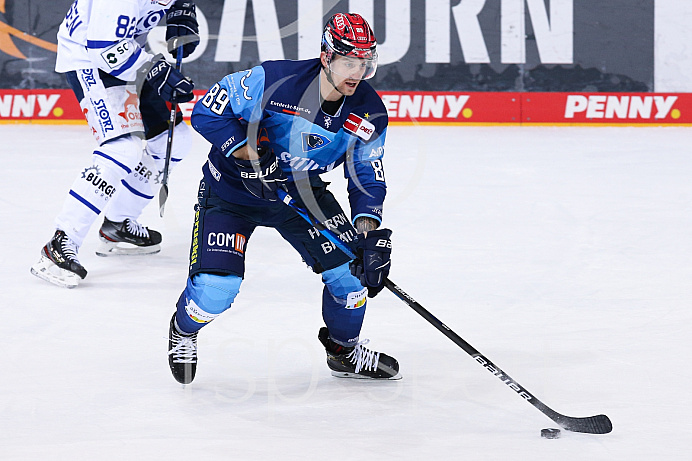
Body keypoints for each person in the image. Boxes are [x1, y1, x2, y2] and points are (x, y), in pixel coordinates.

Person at [167, 13, 399, 384]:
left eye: (365, 63)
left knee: (353, 279)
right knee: (215, 290)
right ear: (326, 57)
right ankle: (183, 329)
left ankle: (344, 351)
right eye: (348, 61)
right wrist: (250, 155)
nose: (357, 72)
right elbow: (207, 113)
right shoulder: (275, 80)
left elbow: (365, 175)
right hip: (232, 192)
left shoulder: (369, 112)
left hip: (301, 193)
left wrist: (368, 233)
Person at [31, 0, 199, 288]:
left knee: (175, 139)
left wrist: (181, 9)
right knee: (123, 148)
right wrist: (155, 71)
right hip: (91, 58)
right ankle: (60, 243)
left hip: (128, 53)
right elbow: (103, 49)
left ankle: (118, 224)